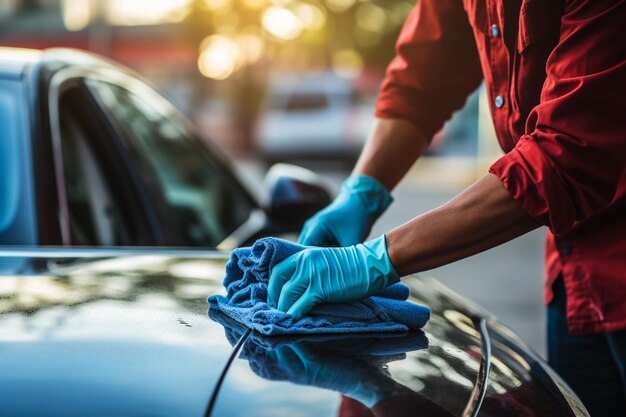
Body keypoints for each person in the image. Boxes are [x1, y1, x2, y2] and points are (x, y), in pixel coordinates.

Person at [267, 0, 626, 414]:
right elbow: (422, 79)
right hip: (574, 274)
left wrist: (373, 259)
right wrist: (362, 190)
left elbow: (568, 152)